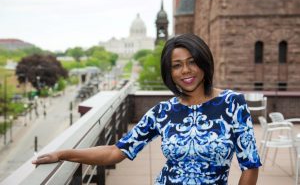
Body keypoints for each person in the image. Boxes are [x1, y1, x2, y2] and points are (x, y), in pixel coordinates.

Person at [32, 34, 262, 184]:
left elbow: (250, 165)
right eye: (177, 65)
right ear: (169, 73)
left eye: (192, 61)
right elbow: (116, 152)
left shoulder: (232, 104)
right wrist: (63, 154)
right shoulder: (163, 112)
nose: (186, 71)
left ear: (204, 61)